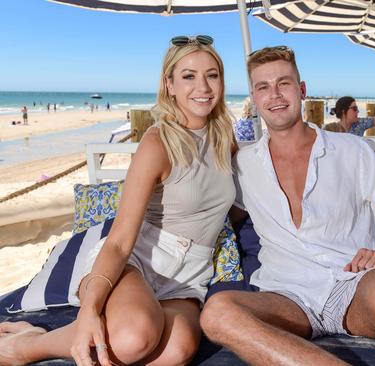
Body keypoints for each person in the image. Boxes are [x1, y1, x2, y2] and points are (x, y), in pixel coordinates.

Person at [200, 46, 375, 365]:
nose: (275, 95)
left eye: (284, 83)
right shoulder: (243, 164)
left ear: (302, 90)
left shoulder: (351, 149)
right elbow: (215, 215)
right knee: (217, 313)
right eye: (263, 87)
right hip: (285, 297)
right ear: (254, 97)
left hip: (354, 284)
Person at [0, 35, 236, 366]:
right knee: (132, 339)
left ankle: (46, 337)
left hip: (190, 272)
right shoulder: (157, 143)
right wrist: (90, 310)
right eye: (188, 76)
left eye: (212, 74)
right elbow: (120, 240)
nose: (203, 86)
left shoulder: (227, 138)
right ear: (169, 84)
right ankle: (26, 347)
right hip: (137, 260)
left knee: (176, 352)